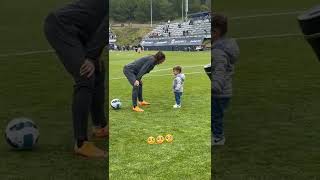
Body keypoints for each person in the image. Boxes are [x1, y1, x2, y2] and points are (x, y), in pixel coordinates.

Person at [44, 0, 108, 158]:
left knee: (99, 70)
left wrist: (94, 57)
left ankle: (100, 127)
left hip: (80, 32)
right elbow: (104, 29)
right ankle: (81, 143)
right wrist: (90, 57)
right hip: (62, 27)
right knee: (86, 75)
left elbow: (99, 26)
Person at [211, 14, 240, 146]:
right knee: (215, 116)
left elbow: (219, 71)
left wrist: (214, 86)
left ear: (215, 32)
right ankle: (215, 135)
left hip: (219, 92)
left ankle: (218, 138)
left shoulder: (218, 52)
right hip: (224, 91)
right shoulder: (222, 48)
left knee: (216, 117)